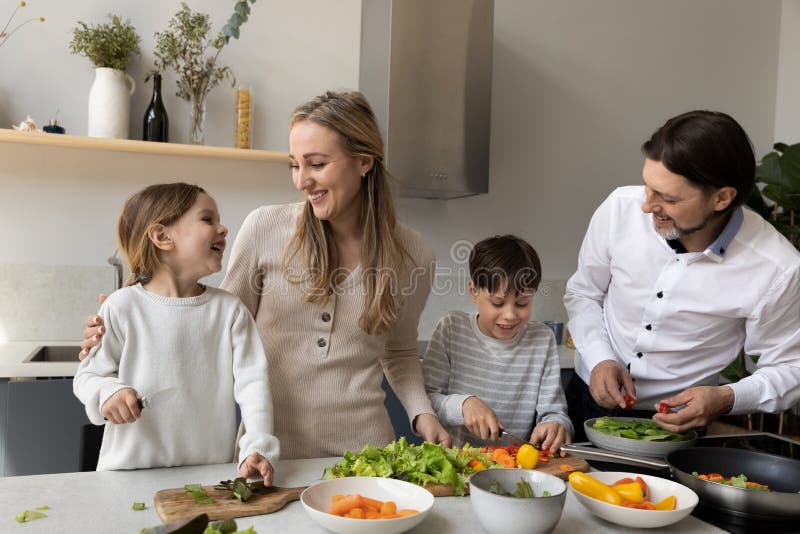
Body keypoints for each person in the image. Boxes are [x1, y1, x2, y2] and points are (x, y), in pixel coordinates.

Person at [81, 91, 451, 458]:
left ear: (364, 162)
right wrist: (126, 319)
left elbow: (400, 352)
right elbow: (212, 329)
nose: (301, 180)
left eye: (316, 164)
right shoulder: (265, 228)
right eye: (294, 165)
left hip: (365, 455)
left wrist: (423, 414)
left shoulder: (414, 254)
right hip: (269, 457)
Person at [564, 110, 800, 441]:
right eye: (648, 187)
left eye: (668, 198)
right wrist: (600, 358)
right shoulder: (619, 208)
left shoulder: (776, 267)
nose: (647, 206)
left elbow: (792, 368)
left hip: (675, 429)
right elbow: (584, 293)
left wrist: (725, 398)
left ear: (722, 198)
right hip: (583, 402)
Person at [73, 183, 279, 483]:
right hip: (125, 476)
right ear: (162, 236)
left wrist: (258, 444)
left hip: (207, 477)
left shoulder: (229, 311)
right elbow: (88, 376)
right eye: (207, 219)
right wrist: (108, 392)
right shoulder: (122, 306)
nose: (222, 228)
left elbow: (254, 385)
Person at [423, 235, 573, 452]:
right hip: (455, 462)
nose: (510, 315)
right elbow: (425, 401)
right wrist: (463, 405)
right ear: (474, 291)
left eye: (522, 303)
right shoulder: (452, 328)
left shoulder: (542, 339)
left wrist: (555, 425)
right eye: (497, 303)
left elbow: (555, 412)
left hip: (514, 465)